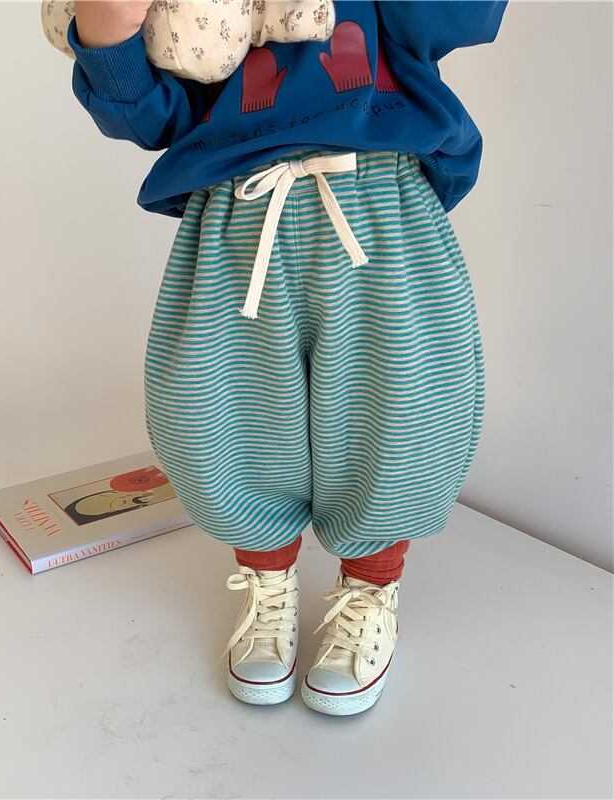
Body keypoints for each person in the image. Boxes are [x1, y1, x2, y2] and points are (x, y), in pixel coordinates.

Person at [68, 0, 507, 715]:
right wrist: (107, 29)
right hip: (237, 212)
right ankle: (267, 581)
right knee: (215, 410)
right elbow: (155, 117)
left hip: (377, 198)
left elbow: (459, 16)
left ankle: (371, 588)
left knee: (401, 410)